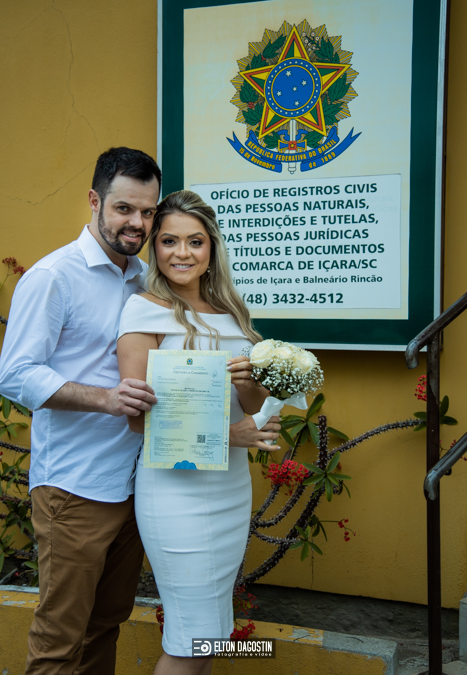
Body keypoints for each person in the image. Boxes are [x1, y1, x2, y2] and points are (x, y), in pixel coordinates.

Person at [0, 147, 161, 675]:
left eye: (147, 211)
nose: (137, 223)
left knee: (105, 626)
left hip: (133, 485)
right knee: (59, 641)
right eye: (124, 208)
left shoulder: (146, 278)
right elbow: (14, 374)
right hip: (74, 489)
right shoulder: (54, 276)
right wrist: (106, 399)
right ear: (94, 201)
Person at [117, 189, 281, 675]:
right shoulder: (143, 311)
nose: (182, 253)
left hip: (230, 489)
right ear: (155, 247)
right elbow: (136, 417)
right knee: (190, 639)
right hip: (176, 494)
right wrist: (231, 436)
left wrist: (252, 390)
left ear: (211, 248)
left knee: (210, 635)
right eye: (169, 241)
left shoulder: (232, 313)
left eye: (195, 241)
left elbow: (249, 406)